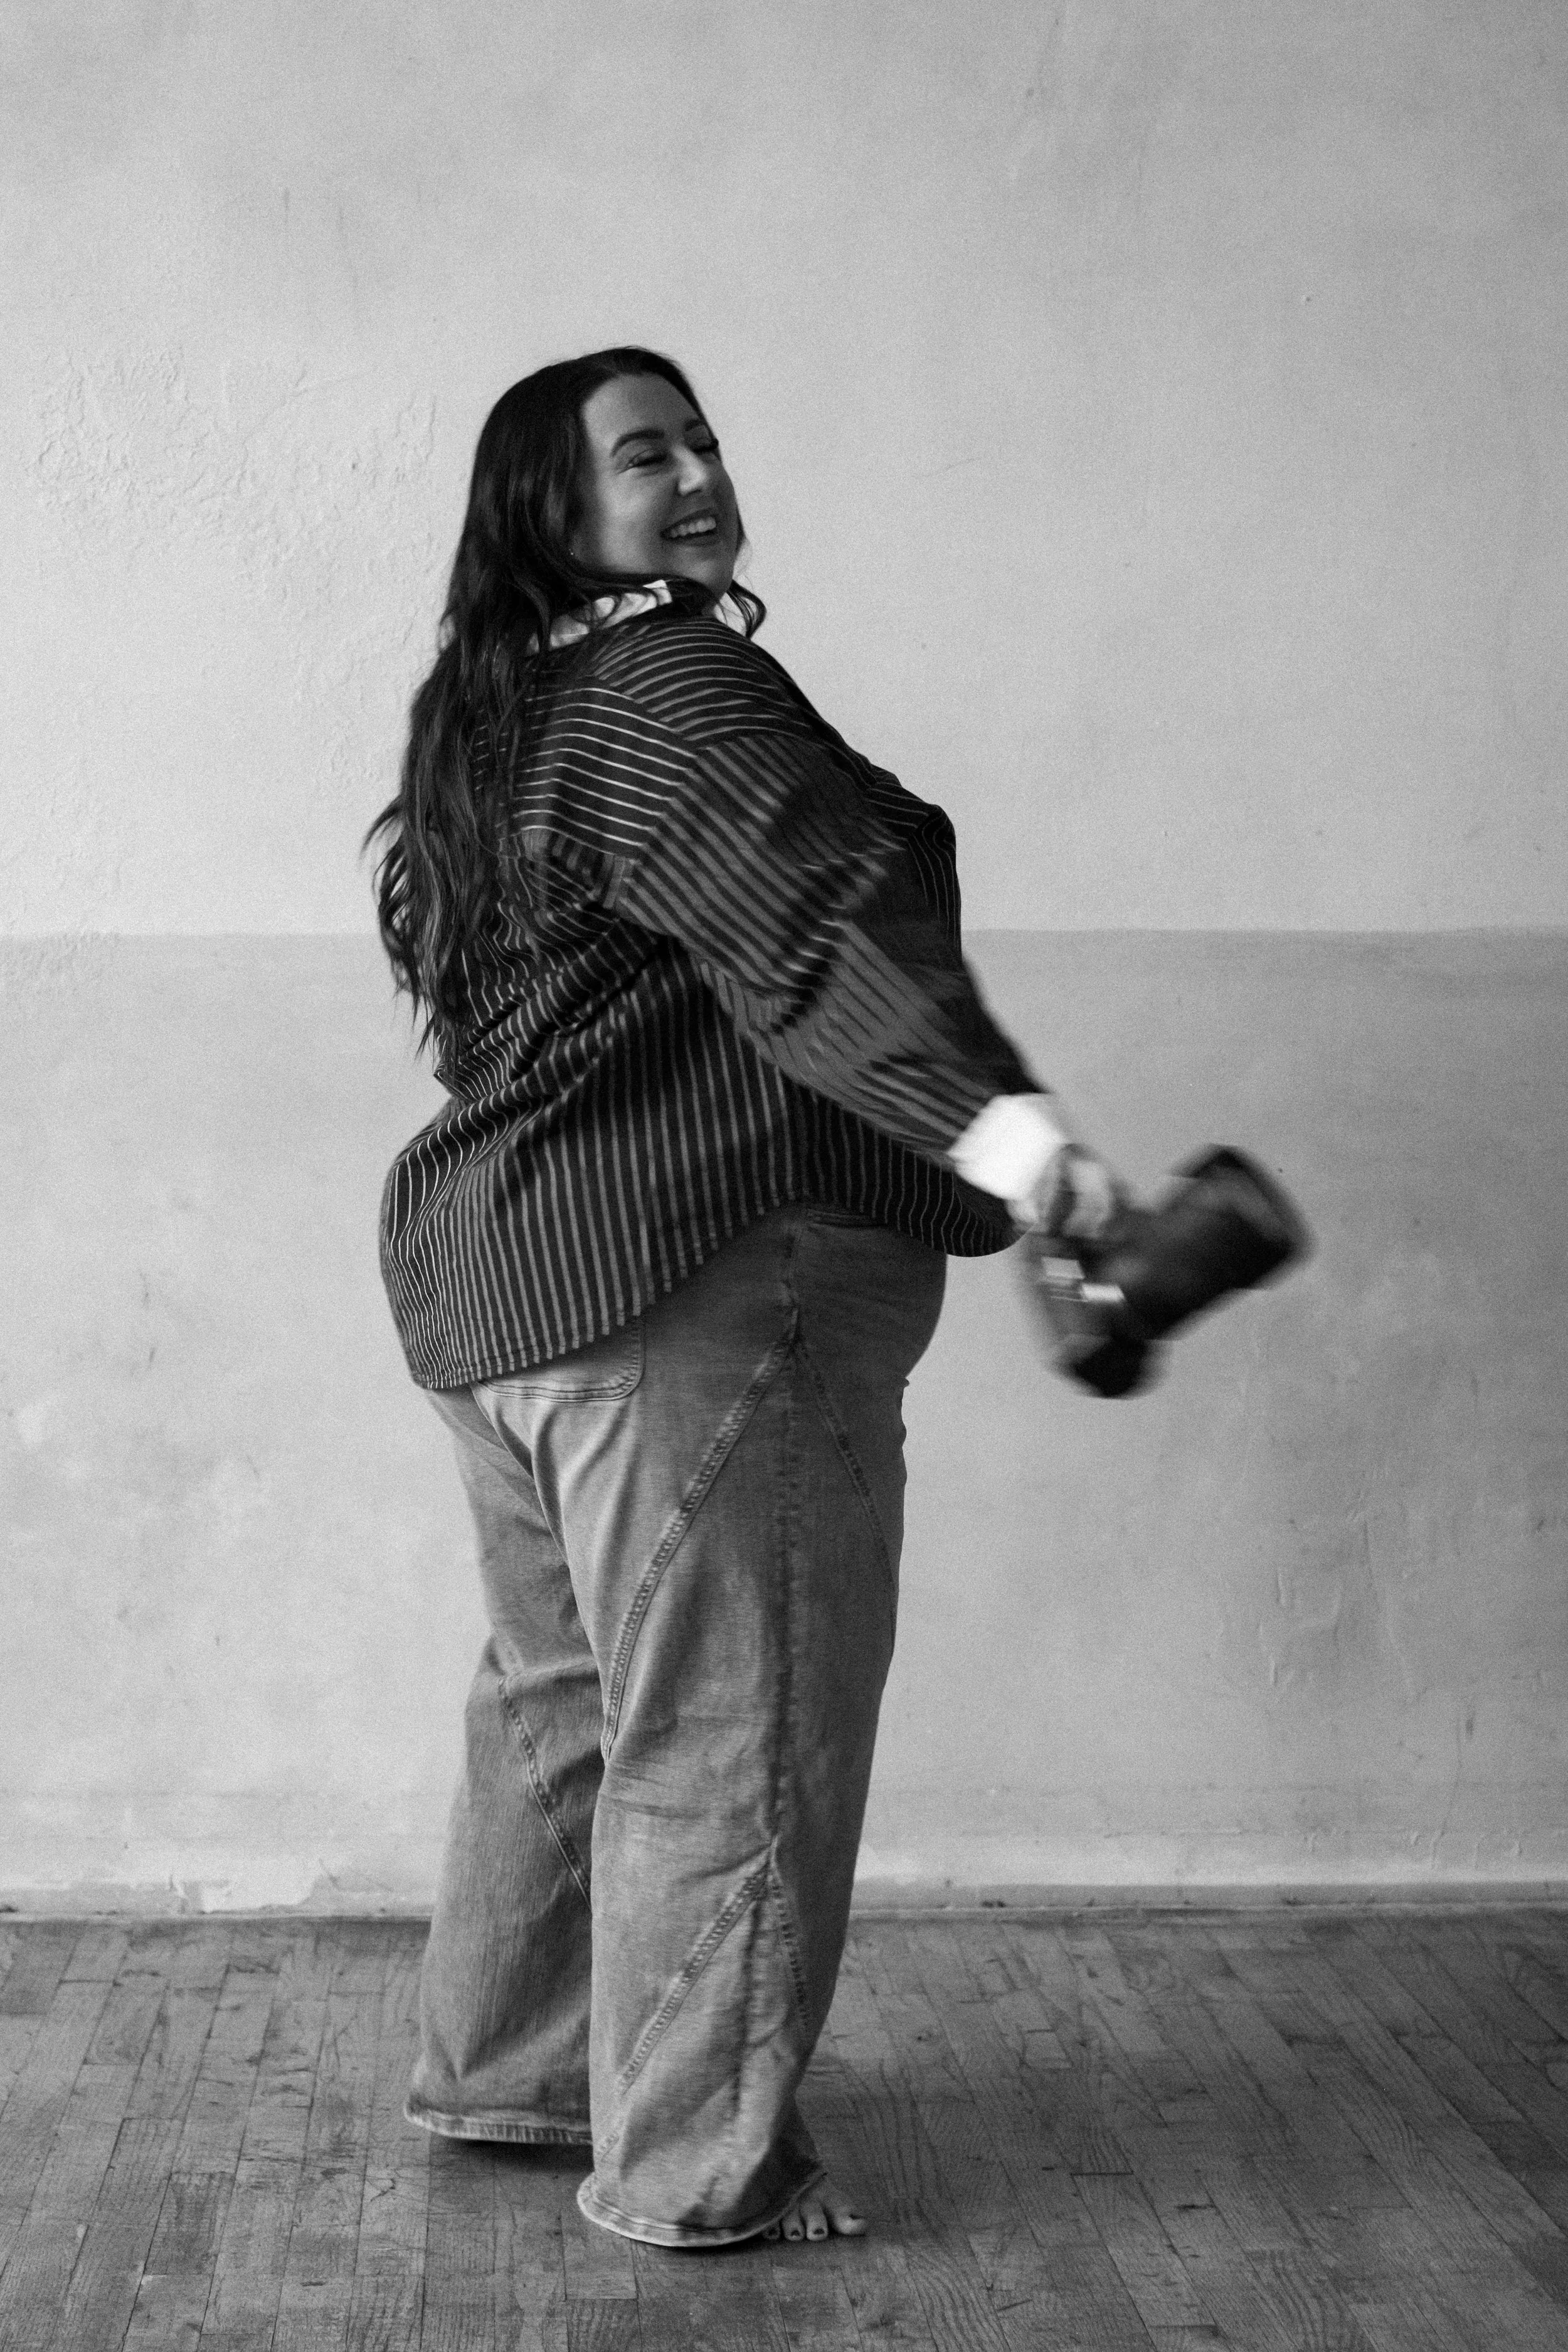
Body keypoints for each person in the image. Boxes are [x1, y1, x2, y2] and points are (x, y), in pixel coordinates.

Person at [366, 346, 1113, 2249]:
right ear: (551, 504)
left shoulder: (499, 714)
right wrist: (1023, 1149)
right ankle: (699, 2162)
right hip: (698, 1293)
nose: (696, 471)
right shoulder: (674, 685)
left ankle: (516, 2070)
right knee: (733, 1723)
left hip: (515, 1296)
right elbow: (815, 925)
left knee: (566, 1704)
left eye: (701, 437)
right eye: (644, 452)